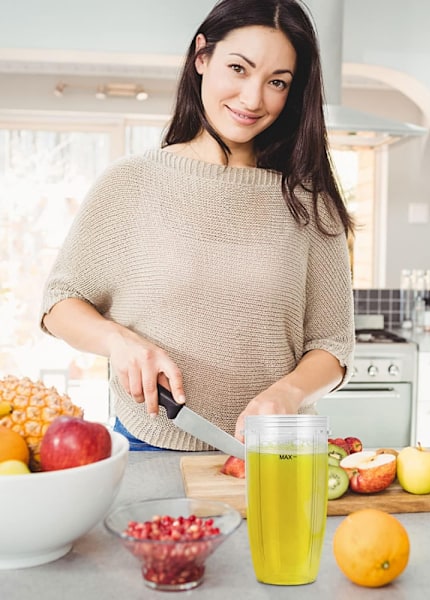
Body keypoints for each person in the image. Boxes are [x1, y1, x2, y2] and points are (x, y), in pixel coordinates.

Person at [40, 0, 355, 451]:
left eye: (277, 82)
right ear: (201, 57)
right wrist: (120, 341)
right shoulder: (131, 182)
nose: (253, 99)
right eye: (238, 68)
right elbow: (60, 304)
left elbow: (333, 345)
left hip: (277, 452)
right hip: (150, 441)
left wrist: (290, 392)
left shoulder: (308, 202)